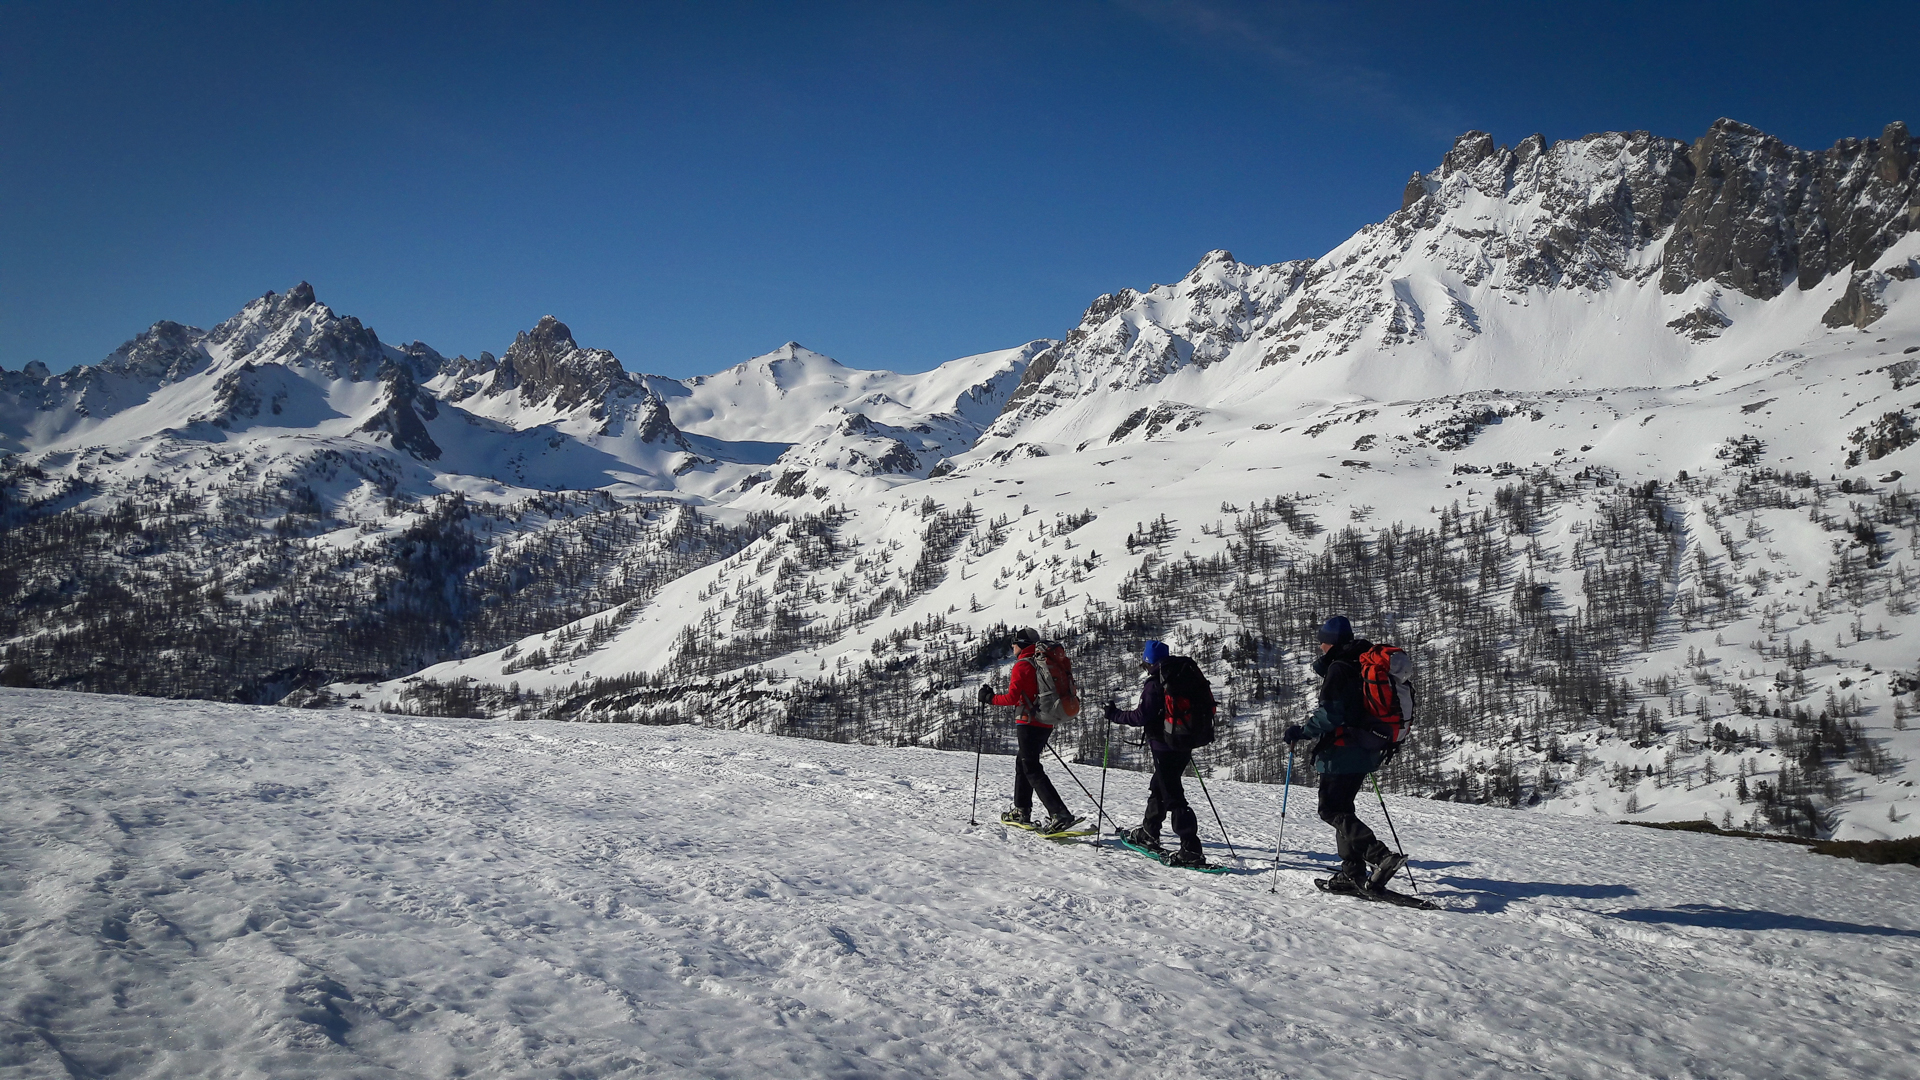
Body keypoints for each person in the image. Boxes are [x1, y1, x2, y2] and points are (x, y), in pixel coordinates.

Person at [1285, 615, 1409, 893]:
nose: (1320, 648)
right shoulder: (1361, 662)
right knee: (1343, 809)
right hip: (1366, 748)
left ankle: (1378, 855)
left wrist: (1301, 732)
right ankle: (1352, 872)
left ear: (1329, 644)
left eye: (1322, 643)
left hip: (1342, 750)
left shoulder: (1339, 669)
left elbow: (1330, 715)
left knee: (1330, 809)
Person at [1105, 639, 1209, 868]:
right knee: (1160, 785)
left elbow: (1141, 716)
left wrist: (1114, 715)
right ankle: (1149, 831)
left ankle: (1190, 849)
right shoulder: (1182, 676)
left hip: (1164, 745)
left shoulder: (1156, 684)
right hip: (1183, 742)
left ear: (1148, 661)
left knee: (1172, 794)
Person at [979, 627, 1078, 834]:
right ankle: (1022, 809)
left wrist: (989, 698)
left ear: (1021, 645)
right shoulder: (1043, 662)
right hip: (1046, 721)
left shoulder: (1023, 665)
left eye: (1013, 643)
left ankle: (1059, 813)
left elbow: (1013, 698)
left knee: (1030, 766)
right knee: (1023, 762)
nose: (1012, 647)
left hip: (1028, 722)